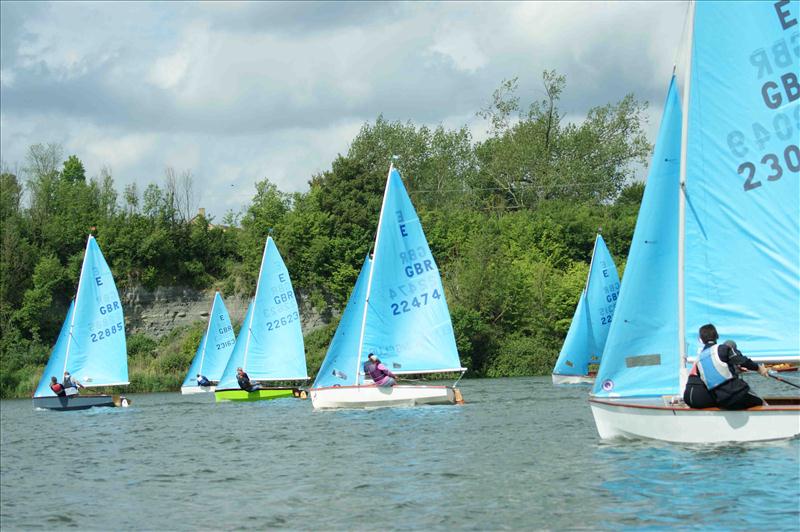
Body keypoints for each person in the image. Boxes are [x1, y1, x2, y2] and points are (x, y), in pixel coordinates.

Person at [695, 323, 769, 410]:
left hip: (721, 401)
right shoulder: (723, 349)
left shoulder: (698, 360)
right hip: (738, 394)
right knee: (762, 403)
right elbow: (742, 361)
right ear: (717, 336)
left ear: (701, 340)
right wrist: (759, 368)